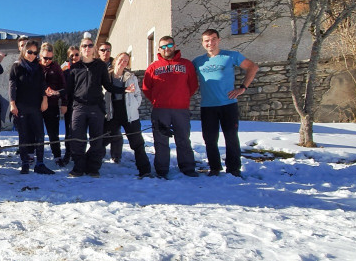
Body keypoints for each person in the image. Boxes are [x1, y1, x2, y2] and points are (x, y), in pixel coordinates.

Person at [193, 28, 259, 177]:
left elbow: (253, 67)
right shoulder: (198, 61)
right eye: (207, 40)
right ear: (202, 43)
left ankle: (233, 169)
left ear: (219, 40)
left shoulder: (230, 56)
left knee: (231, 138)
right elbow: (186, 78)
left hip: (228, 105)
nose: (210, 43)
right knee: (210, 139)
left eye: (213, 39)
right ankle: (215, 168)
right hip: (208, 106)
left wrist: (243, 88)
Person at [66, 36, 127, 178]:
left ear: (94, 48)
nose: (87, 48)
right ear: (81, 49)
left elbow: (108, 85)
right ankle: (78, 168)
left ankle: (93, 168)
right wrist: (56, 93)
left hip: (96, 108)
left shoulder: (100, 66)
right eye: (84, 46)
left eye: (90, 45)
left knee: (96, 140)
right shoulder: (75, 68)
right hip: (79, 108)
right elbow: (68, 90)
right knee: (77, 139)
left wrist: (123, 90)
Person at [142, 36, 199, 179]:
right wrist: (157, 100)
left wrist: (182, 98)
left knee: (183, 139)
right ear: (159, 49)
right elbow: (146, 88)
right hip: (161, 110)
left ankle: (188, 168)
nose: (167, 49)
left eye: (169, 45)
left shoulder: (186, 65)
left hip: (181, 110)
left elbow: (192, 85)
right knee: (161, 141)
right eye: (163, 46)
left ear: (174, 46)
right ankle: (161, 170)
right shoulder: (153, 67)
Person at [10, 40, 54, 175]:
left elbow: (42, 84)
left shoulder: (38, 67)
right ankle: (25, 163)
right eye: (29, 52)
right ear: (24, 51)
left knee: (40, 134)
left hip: (36, 106)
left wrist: (45, 100)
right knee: (23, 135)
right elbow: (12, 85)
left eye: (35, 53)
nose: (32, 55)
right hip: (21, 106)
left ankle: (40, 163)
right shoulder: (17, 66)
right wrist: (12, 103)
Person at [104, 52, 151, 177]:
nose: (123, 62)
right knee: (101, 140)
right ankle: (90, 166)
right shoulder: (107, 76)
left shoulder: (131, 77)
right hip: (112, 113)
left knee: (137, 143)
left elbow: (138, 95)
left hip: (129, 114)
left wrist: (133, 107)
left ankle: (145, 170)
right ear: (115, 61)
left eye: (126, 61)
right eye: (121, 59)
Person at [39, 43, 66, 165]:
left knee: (53, 133)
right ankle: (35, 155)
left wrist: (58, 95)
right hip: (37, 105)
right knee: (37, 132)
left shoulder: (56, 67)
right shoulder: (35, 66)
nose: (47, 61)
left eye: (50, 58)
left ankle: (57, 156)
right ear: (40, 55)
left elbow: (64, 87)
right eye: (45, 58)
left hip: (53, 105)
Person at [60, 45, 80, 166]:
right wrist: (64, 103)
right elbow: (63, 89)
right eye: (71, 55)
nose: (74, 57)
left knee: (80, 131)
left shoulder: (85, 69)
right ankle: (68, 153)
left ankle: (78, 154)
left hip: (82, 104)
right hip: (70, 105)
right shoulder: (65, 72)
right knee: (69, 131)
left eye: (76, 54)